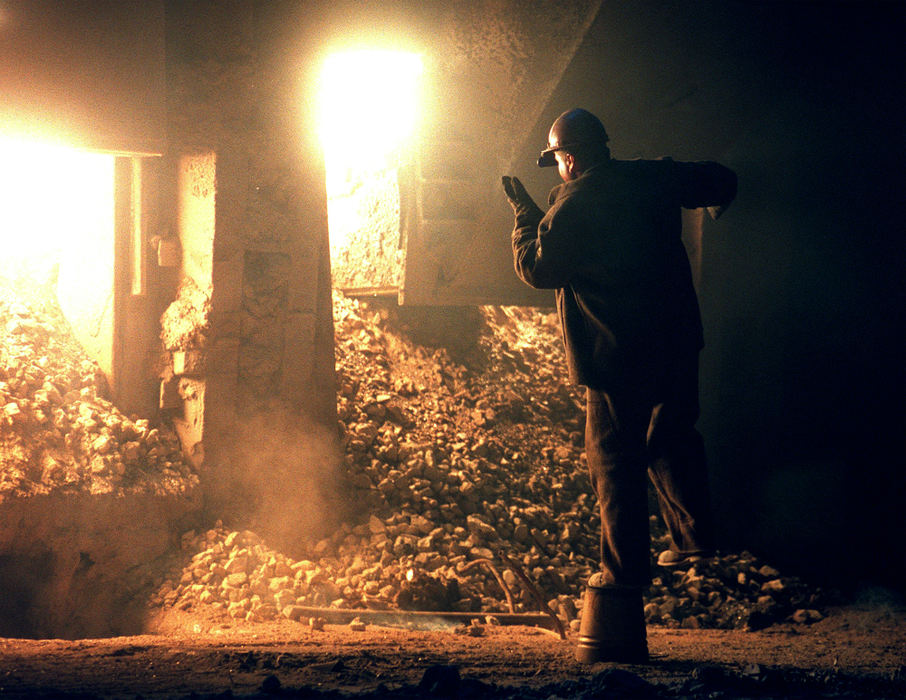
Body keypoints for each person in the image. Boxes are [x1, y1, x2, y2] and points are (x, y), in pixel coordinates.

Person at [502, 108, 736, 662]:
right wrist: (724, 195)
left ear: (570, 157)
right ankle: (694, 538)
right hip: (677, 341)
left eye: (558, 160)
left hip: (616, 357)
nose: (559, 169)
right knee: (674, 434)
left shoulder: (574, 204)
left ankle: (622, 572)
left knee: (613, 460)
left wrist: (523, 217)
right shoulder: (648, 175)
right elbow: (715, 178)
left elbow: (539, 269)